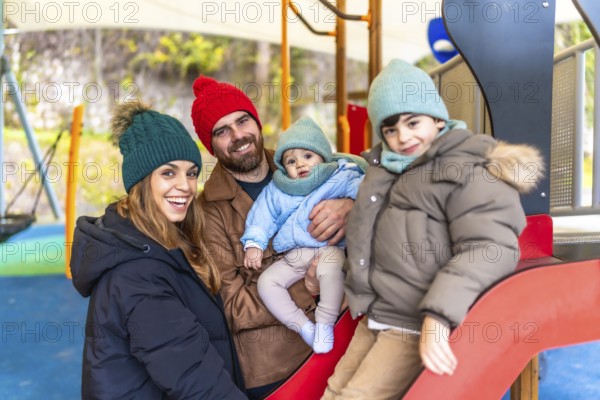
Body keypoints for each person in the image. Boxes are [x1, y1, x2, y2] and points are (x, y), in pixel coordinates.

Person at [323, 59, 544, 399]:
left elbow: (489, 247)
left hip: (414, 321)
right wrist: (354, 286)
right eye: (390, 129)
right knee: (335, 389)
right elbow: (369, 238)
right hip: (377, 313)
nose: (403, 137)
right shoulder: (385, 171)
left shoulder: (466, 168)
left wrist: (438, 317)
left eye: (413, 122)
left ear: (437, 118)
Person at [191, 76, 354, 399]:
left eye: (242, 121)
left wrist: (351, 207)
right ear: (211, 145)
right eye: (222, 131)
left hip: (346, 329)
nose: (238, 136)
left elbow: (368, 183)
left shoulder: (303, 158)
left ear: (256, 120)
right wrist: (307, 288)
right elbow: (232, 306)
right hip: (278, 364)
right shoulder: (208, 212)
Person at [70, 102, 246, 399]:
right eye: (168, 173)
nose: (186, 186)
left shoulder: (162, 241)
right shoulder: (138, 272)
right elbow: (195, 378)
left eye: (191, 173)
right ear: (142, 181)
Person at [241, 116, 366, 354]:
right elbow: (262, 215)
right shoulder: (279, 189)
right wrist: (254, 243)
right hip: (295, 254)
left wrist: (352, 202)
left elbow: (368, 193)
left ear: (323, 156)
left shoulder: (341, 175)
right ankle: (304, 327)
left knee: (331, 269)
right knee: (267, 282)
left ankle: (325, 323)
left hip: (331, 248)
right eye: (291, 160)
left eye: (308, 156)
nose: (300, 164)